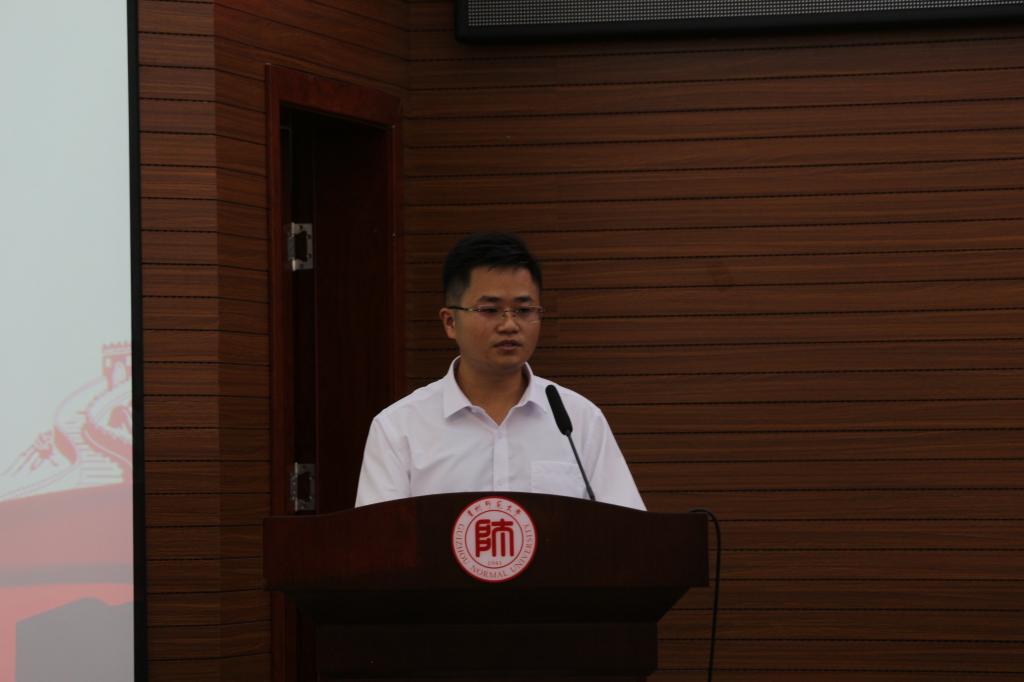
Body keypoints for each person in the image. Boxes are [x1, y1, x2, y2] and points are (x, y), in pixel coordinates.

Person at [354, 232, 645, 510]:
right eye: (490, 310)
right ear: (450, 322)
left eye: (524, 310)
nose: (509, 325)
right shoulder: (399, 428)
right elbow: (379, 538)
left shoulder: (578, 420)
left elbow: (625, 531)